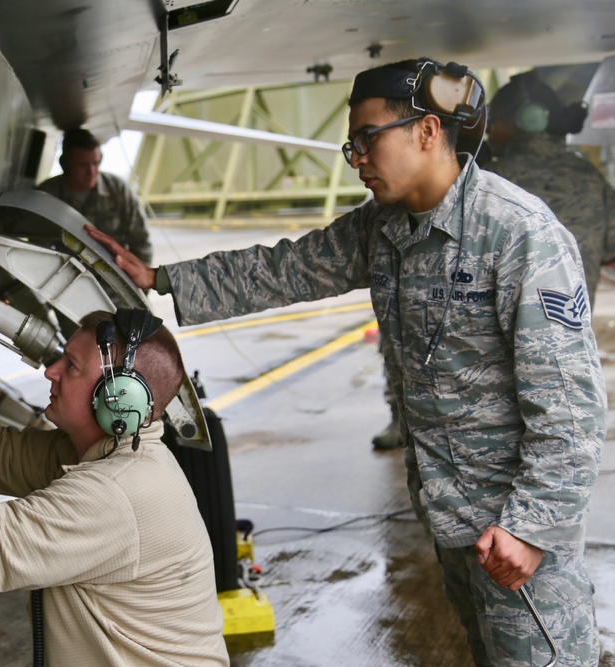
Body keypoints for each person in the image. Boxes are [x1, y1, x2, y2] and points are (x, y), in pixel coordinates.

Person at [87, 58, 606, 667]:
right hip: (453, 521)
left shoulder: (518, 234)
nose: (356, 158)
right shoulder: (385, 227)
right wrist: (161, 277)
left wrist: (532, 529)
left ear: (427, 131)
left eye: (367, 138)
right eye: (350, 144)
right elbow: (285, 268)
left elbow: (571, 410)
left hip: (518, 534)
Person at [0, 309, 229, 666]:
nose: (51, 371)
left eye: (72, 366)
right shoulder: (105, 454)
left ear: (119, 397)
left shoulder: (116, 492)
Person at [485, 70, 615, 305]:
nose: (488, 132)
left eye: (494, 121)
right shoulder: (590, 178)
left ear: (527, 120)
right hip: (573, 324)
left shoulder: (489, 180)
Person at [39, 128, 154, 264]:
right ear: (66, 165)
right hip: (61, 270)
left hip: (110, 272)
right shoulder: (47, 194)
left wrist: (138, 275)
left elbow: (141, 242)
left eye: (96, 163)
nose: (92, 171)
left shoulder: (118, 190)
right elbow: (37, 243)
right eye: (83, 165)